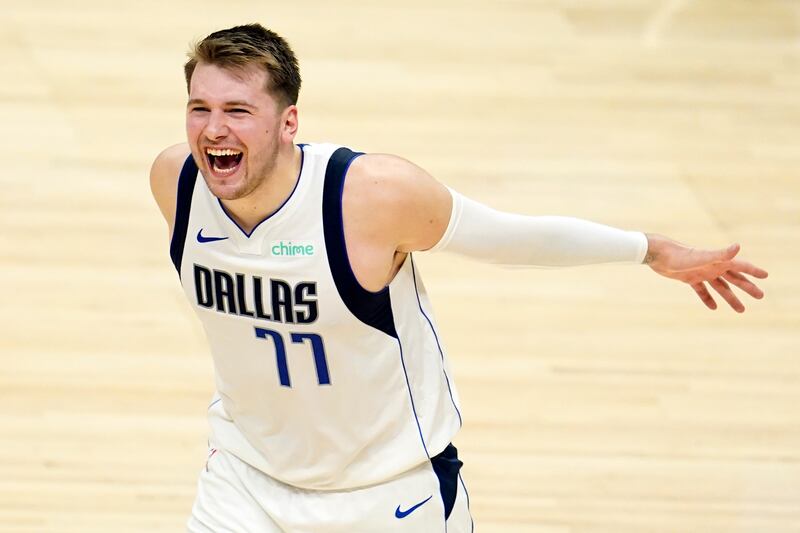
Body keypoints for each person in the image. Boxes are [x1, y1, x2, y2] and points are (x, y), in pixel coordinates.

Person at [149, 23, 768, 533]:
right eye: (199, 108)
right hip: (244, 481)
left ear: (288, 124)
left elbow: (511, 237)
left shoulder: (368, 197)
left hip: (386, 495)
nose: (213, 129)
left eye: (237, 110)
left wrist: (647, 249)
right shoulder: (175, 184)